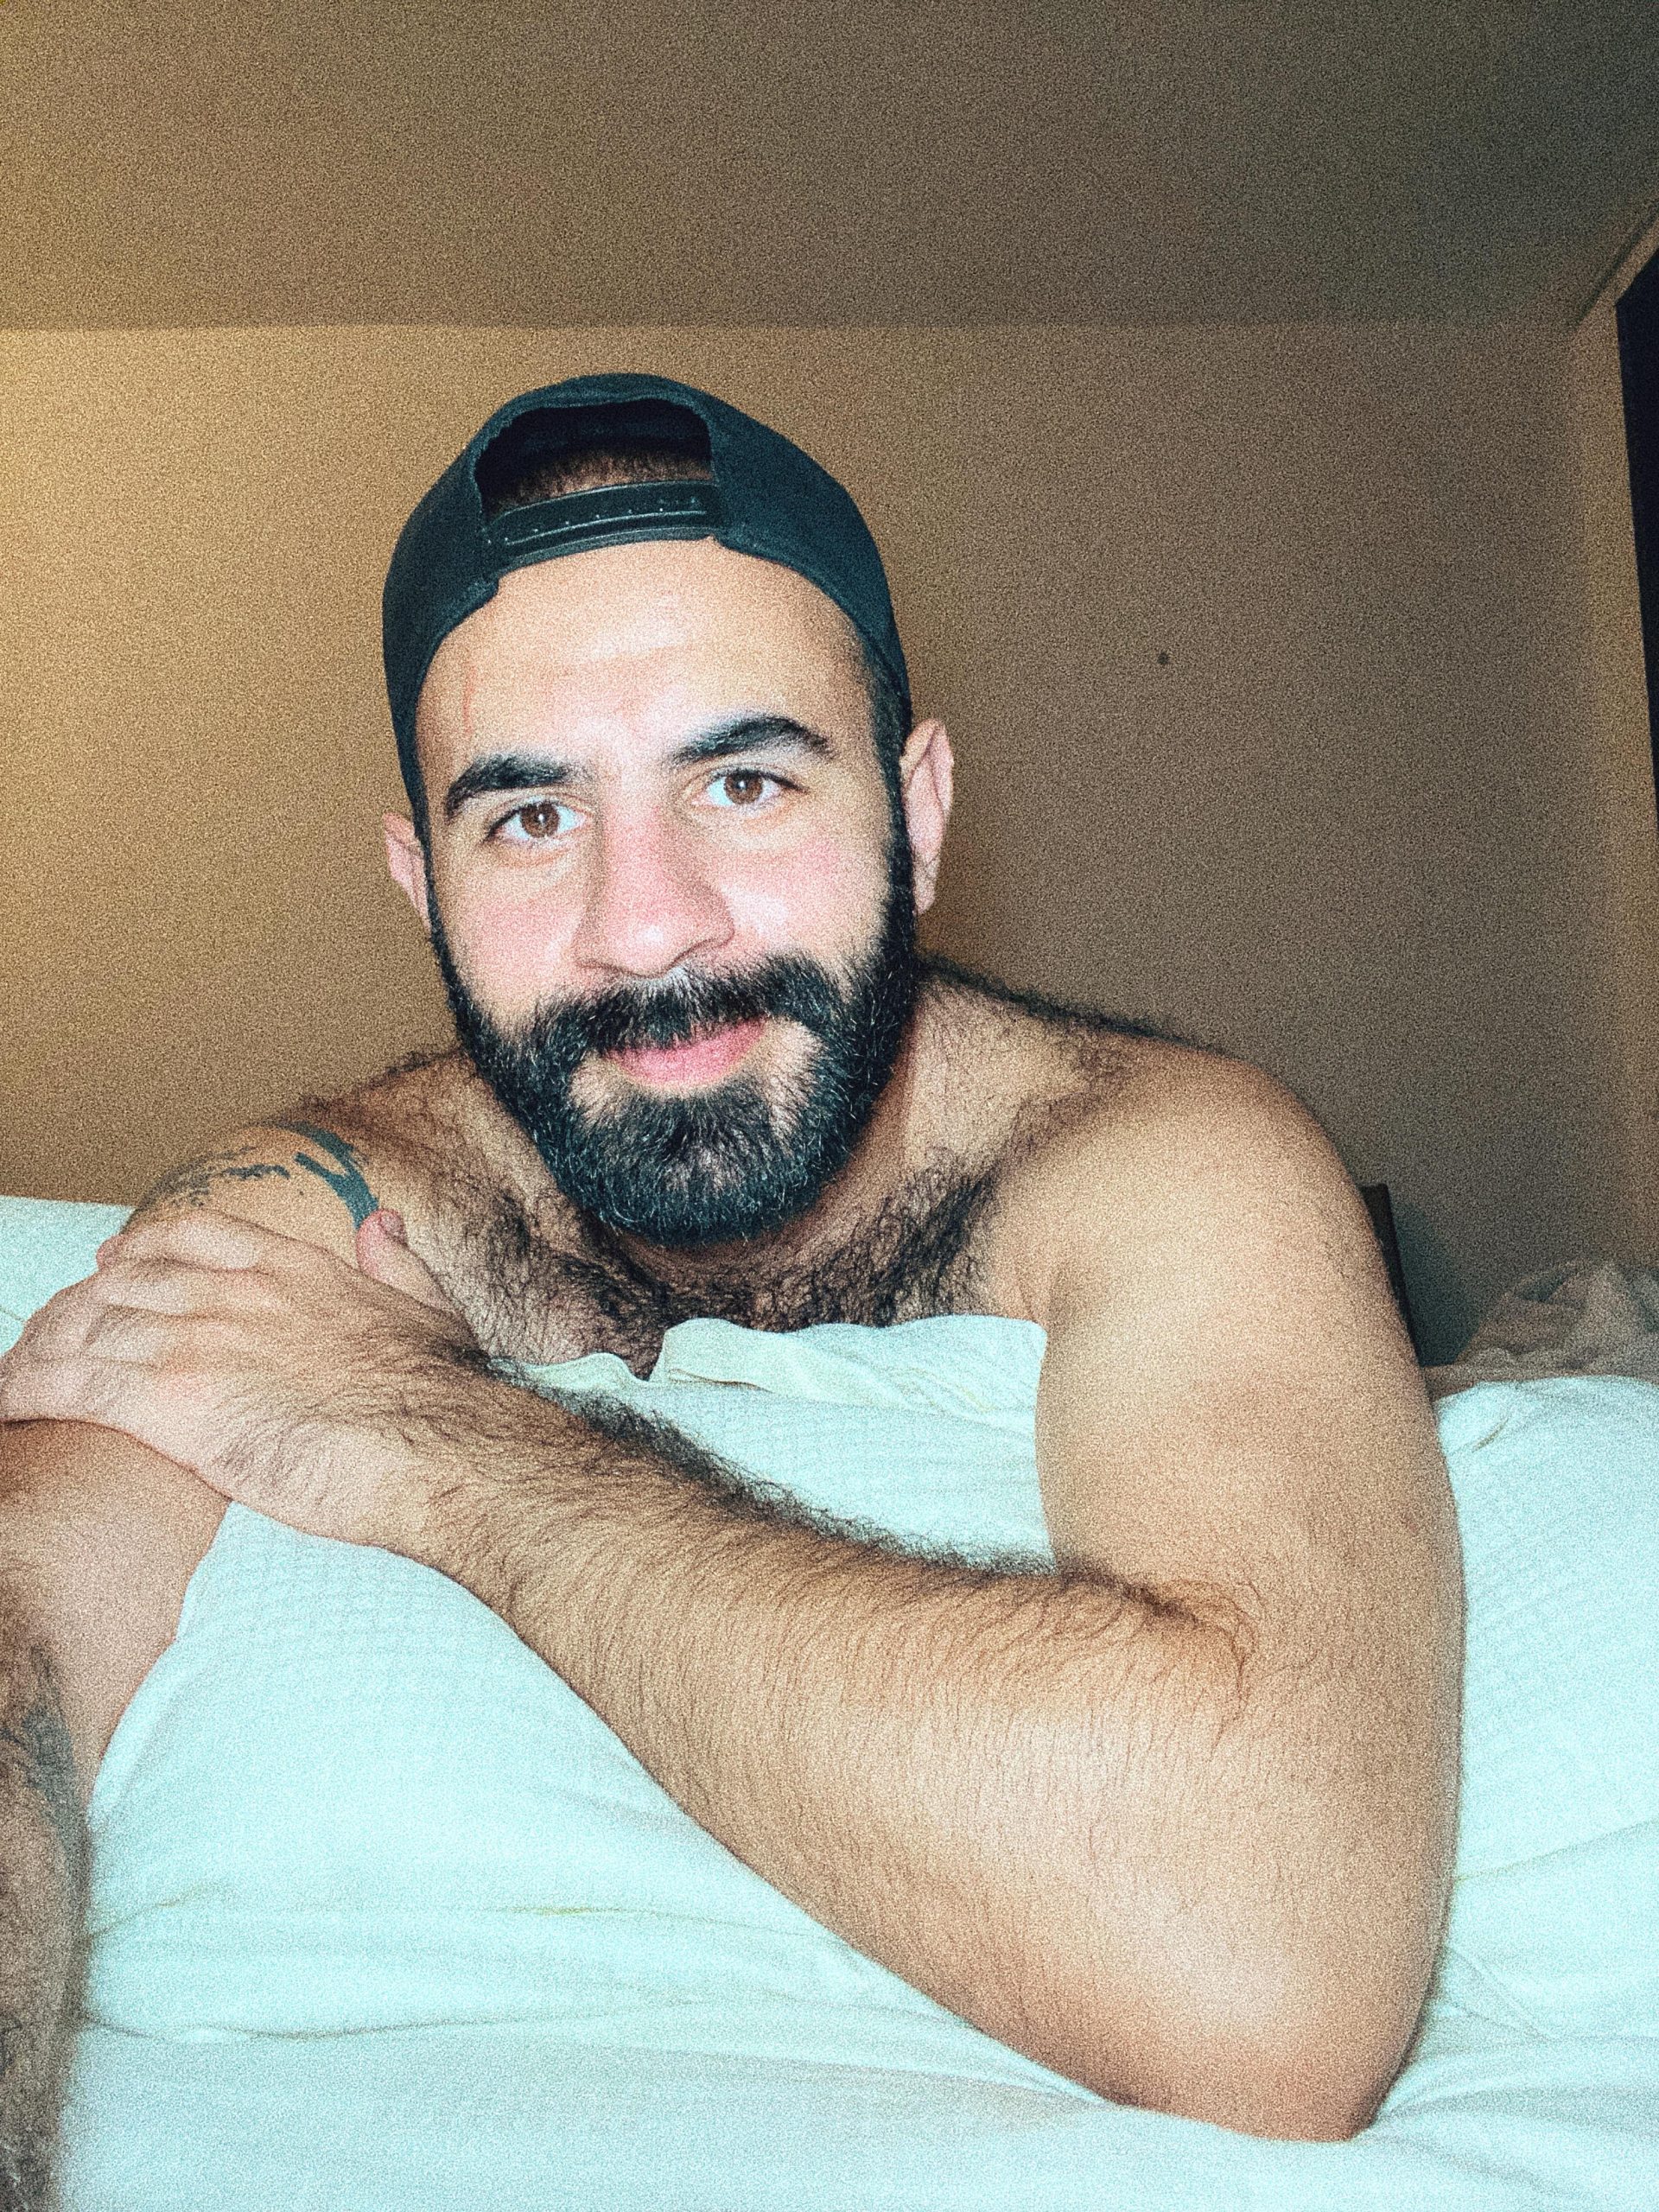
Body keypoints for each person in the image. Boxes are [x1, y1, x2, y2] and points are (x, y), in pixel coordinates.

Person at [0, 375, 1460, 2202]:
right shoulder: (328, 1206)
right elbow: (25, 1624)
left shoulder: (1167, 1165)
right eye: (530, 820)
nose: (645, 924)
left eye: (745, 781)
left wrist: (435, 1433)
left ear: (917, 814)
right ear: (421, 882)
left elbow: (1267, 1968)